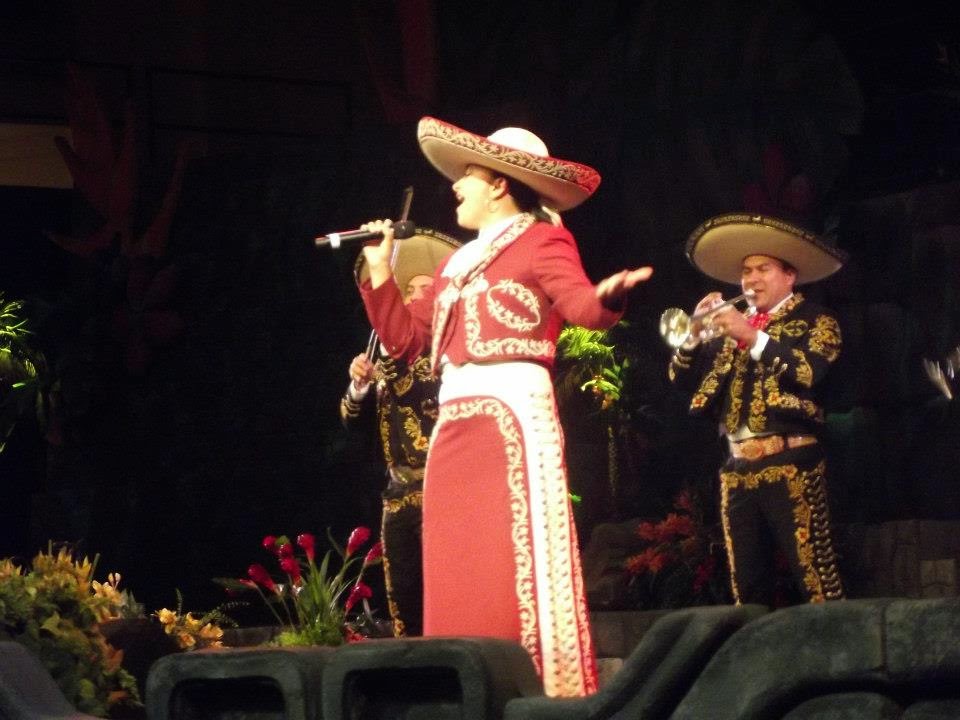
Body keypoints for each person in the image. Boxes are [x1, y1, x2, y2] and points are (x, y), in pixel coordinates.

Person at [355, 116, 652, 697]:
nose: (455, 187)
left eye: (467, 176)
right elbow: (408, 341)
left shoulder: (543, 240)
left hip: (510, 415)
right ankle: (466, 692)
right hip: (456, 422)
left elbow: (582, 306)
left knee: (513, 558)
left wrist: (610, 294)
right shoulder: (452, 265)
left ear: (499, 184)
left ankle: (538, 689)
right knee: (458, 561)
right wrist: (379, 273)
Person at [668, 213, 847, 606]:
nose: (750, 279)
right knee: (746, 591)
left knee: (818, 581)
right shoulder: (729, 329)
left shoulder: (818, 320)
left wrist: (751, 336)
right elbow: (679, 382)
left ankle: (842, 664)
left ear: (789, 276)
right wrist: (693, 338)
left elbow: (809, 373)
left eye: (763, 269)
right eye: (746, 271)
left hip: (793, 462)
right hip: (737, 471)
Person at [340, 229, 460, 637]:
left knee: (445, 596)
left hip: (440, 488)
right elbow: (351, 423)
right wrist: (360, 384)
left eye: (430, 290)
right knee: (403, 603)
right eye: (413, 291)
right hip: (396, 496)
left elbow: (430, 397)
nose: (421, 297)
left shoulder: (447, 352)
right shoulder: (382, 353)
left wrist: (393, 370)